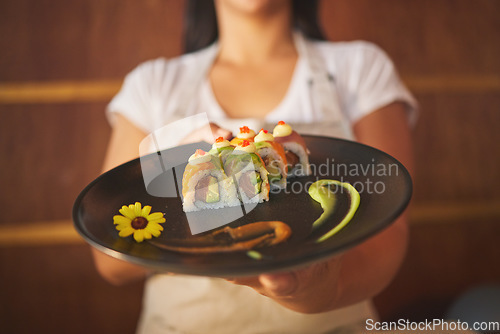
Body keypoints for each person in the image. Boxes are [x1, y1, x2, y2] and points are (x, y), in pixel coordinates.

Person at [91, 0, 417, 333]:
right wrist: (170, 173)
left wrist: (318, 291)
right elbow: (109, 261)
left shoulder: (360, 67)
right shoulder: (153, 84)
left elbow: (388, 229)